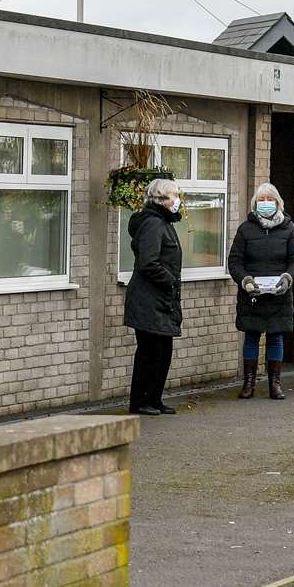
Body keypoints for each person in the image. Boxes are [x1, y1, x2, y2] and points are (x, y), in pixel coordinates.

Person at [229, 182, 294, 400]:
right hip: (252, 295)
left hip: (279, 295)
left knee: (275, 338)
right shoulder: (245, 229)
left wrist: (288, 278)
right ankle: (249, 384)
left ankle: (275, 384)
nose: (266, 204)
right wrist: (245, 281)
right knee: (251, 337)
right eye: (261, 200)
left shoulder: (289, 229)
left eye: (270, 200)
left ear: (278, 203)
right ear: (255, 204)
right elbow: (234, 262)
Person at [124, 178, 183, 416]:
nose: (177, 200)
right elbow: (149, 262)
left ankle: (155, 399)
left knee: (163, 352)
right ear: (160, 199)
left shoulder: (163, 222)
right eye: (173, 196)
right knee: (150, 352)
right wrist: (169, 280)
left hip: (160, 300)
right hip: (149, 299)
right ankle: (140, 401)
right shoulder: (153, 224)